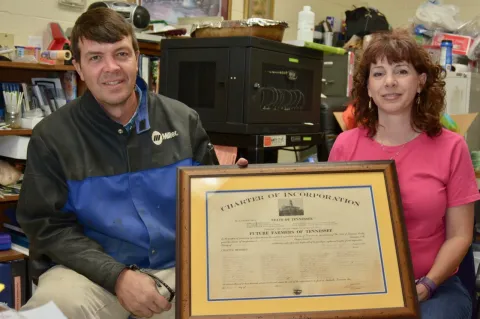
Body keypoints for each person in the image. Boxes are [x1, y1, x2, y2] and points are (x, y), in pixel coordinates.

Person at [16, 7, 247, 319]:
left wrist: (238, 191)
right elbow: (47, 227)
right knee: (51, 310)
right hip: (91, 275)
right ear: (78, 68)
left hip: (177, 268)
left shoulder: (183, 120)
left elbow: (208, 202)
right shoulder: (52, 136)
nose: (111, 67)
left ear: (137, 57)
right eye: (96, 57)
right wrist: (117, 276)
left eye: (121, 54)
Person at [328, 29, 480, 319]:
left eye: (401, 71)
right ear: (368, 87)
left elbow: (460, 235)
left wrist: (426, 285)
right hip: (358, 284)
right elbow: (327, 222)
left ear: (421, 82)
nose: (390, 82)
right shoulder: (346, 145)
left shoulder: (451, 147)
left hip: (434, 287)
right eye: (378, 73)